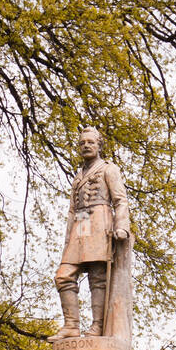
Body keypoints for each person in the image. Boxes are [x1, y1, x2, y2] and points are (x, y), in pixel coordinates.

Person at [55, 126, 131, 339]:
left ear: (99, 145)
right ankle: (71, 325)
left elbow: (120, 200)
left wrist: (121, 226)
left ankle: (97, 325)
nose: (86, 146)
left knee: (98, 278)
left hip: (100, 220)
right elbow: (72, 210)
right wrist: (68, 238)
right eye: (82, 143)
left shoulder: (109, 169)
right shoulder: (78, 176)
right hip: (80, 224)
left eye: (91, 142)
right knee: (63, 276)